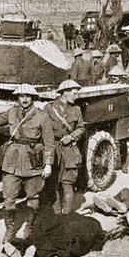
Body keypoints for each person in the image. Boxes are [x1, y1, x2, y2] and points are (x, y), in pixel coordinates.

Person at [0, 84, 55, 243]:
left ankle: (29, 226)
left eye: (27, 96)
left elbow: (49, 142)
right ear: (17, 98)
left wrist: (48, 164)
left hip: (34, 162)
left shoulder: (42, 116)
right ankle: (10, 230)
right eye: (21, 96)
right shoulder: (12, 112)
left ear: (33, 98)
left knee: (33, 197)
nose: (24, 99)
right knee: (9, 199)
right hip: (12, 162)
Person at [44, 80, 85, 215]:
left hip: (69, 150)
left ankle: (66, 216)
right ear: (65, 92)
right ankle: (57, 216)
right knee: (52, 184)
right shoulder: (49, 108)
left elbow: (80, 128)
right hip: (53, 149)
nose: (76, 96)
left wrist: (71, 136)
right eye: (74, 93)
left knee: (68, 183)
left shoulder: (76, 109)